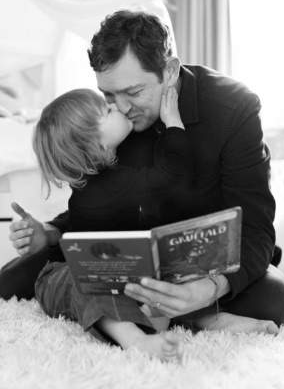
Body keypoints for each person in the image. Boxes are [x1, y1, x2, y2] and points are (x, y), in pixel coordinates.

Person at [0, 9, 284, 334]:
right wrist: (50, 233)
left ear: (169, 71)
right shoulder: (113, 124)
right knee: (12, 281)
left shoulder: (235, 110)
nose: (121, 107)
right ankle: (186, 316)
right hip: (125, 256)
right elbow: (101, 203)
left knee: (274, 299)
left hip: (197, 262)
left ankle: (184, 310)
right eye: (109, 94)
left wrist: (208, 289)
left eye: (133, 93)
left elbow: (256, 230)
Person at [31, 86, 192, 360]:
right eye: (107, 111)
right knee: (89, 285)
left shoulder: (108, 176)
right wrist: (173, 121)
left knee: (158, 279)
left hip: (115, 273)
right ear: (95, 143)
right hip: (70, 276)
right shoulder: (112, 184)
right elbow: (172, 174)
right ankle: (136, 341)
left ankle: (176, 322)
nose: (118, 107)